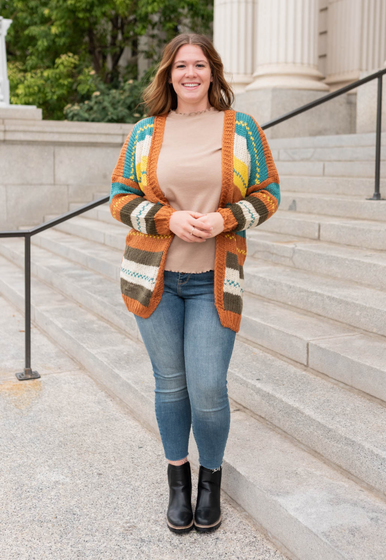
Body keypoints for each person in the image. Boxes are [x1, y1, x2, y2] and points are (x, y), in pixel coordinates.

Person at [109, 32, 280, 534]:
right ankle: (178, 482)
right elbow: (119, 198)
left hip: (213, 281)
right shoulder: (145, 131)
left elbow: (268, 194)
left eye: (199, 65)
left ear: (213, 72)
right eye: (180, 65)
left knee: (207, 387)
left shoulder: (240, 127)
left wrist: (227, 219)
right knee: (170, 386)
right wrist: (166, 219)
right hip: (155, 280)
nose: (190, 73)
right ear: (168, 73)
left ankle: (211, 480)